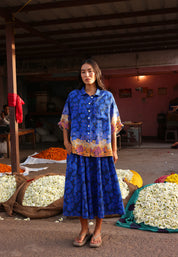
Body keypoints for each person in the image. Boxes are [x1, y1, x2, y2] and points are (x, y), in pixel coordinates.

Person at [59, 59, 125, 248]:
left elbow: (114, 126)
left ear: (96, 73)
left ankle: (97, 230)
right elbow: (65, 120)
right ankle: (83, 229)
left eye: (89, 71)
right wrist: (66, 142)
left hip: (101, 152)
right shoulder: (73, 96)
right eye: (82, 72)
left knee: (99, 190)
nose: (86, 75)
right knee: (79, 189)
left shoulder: (107, 97)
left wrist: (114, 149)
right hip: (78, 151)